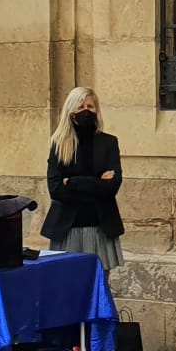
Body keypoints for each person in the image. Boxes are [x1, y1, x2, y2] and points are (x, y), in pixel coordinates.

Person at [40, 86, 123, 274]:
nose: (86, 111)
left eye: (90, 107)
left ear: (96, 110)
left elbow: (112, 187)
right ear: (71, 112)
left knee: (99, 284)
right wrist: (96, 182)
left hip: (100, 225)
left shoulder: (109, 142)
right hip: (67, 227)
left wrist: (73, 182)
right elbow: (55, 190)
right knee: (66, 283)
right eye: (80, 107)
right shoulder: (59, 144)